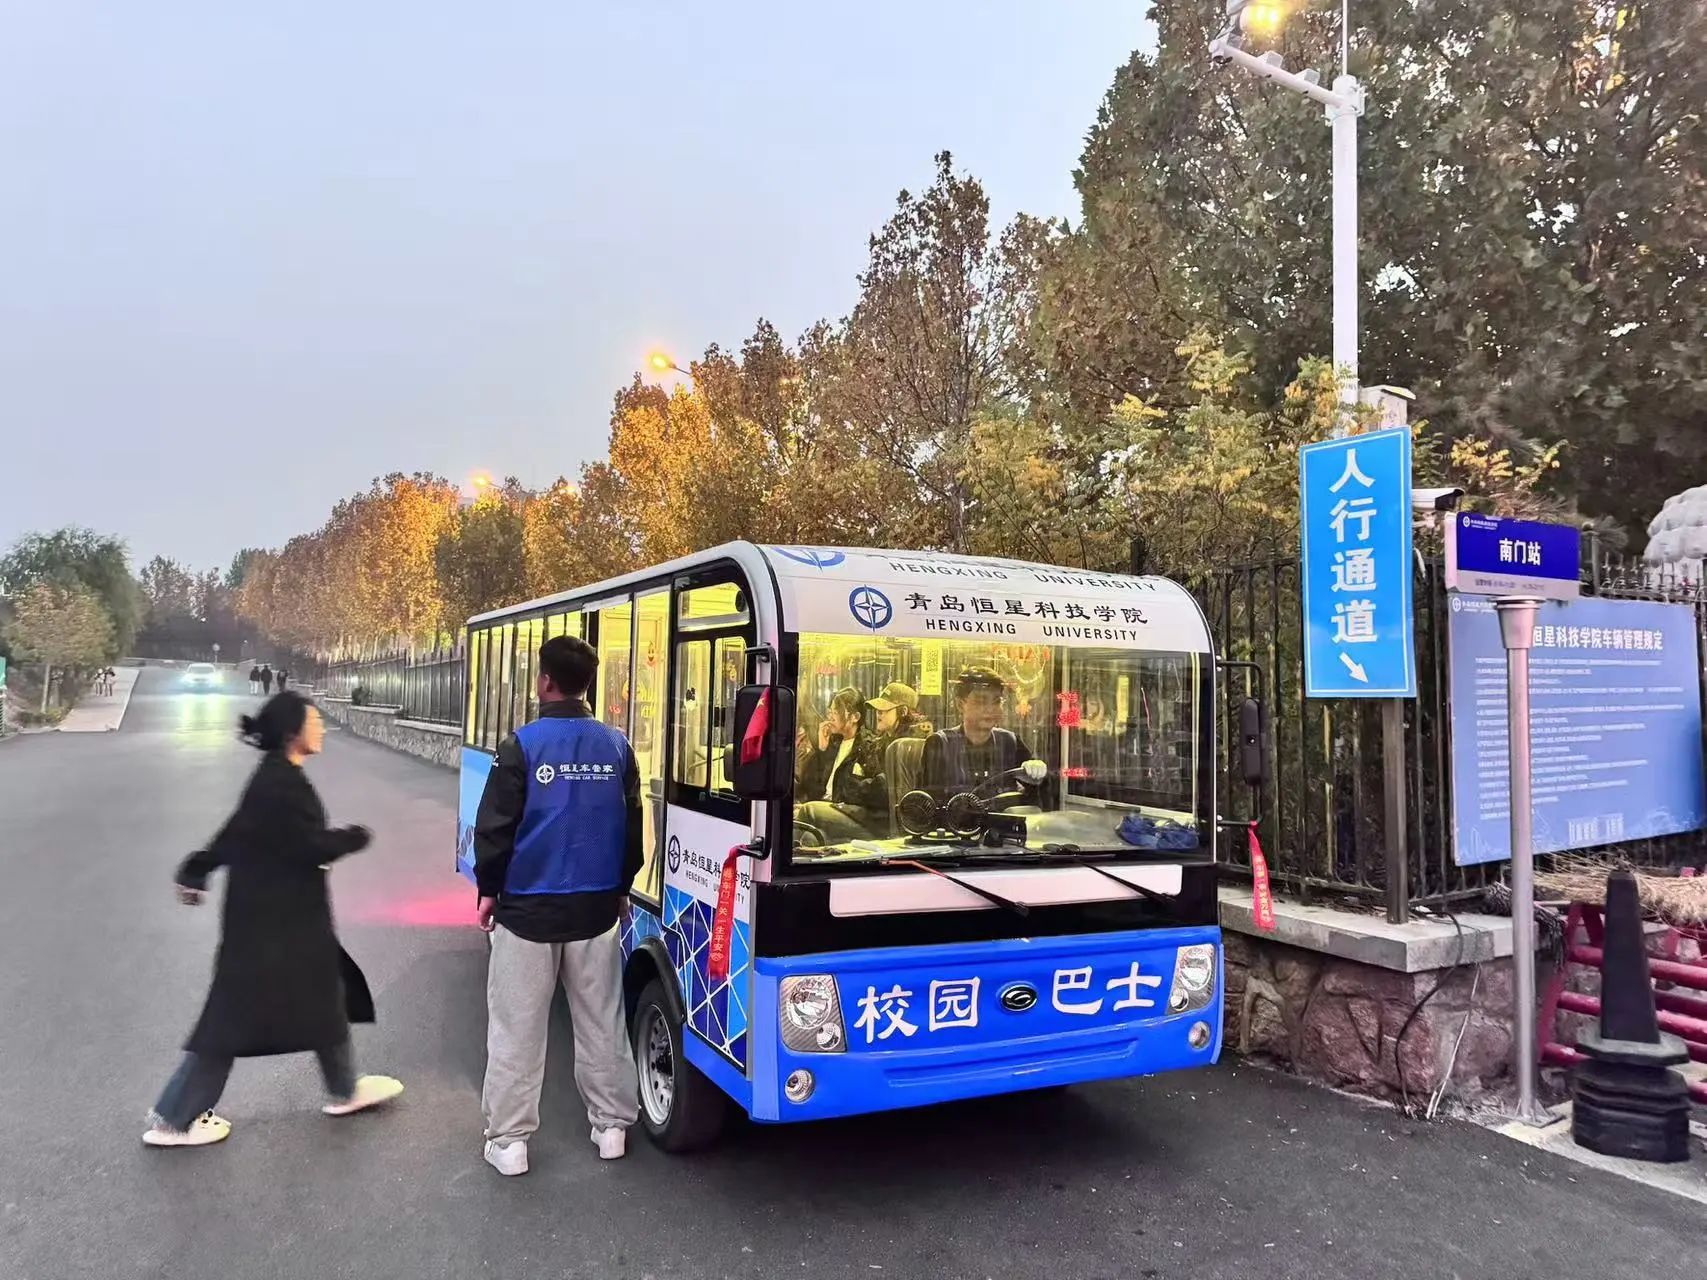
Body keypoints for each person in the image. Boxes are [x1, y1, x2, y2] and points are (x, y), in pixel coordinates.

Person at [143, 692, 402, 1148]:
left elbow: (236, 833)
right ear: (292, 732)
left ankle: (345, 1088)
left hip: (287, 919)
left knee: (325, 999)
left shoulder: (277, 777)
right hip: (270, 925)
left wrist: (198, 869)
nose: (320, 728)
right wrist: (353, 837)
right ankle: (174, 1118)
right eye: (313, 721)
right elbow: (306, 845)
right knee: (229, 1020)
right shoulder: (279, 783)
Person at [473, 635, 643, 1175]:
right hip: (596, 910)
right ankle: (612, 1127)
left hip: (528, 910)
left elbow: (494, 828)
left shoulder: (520, 746)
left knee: (517, 1028)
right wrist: (621, 886)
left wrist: (488, 890)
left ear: (544, 681)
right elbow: (632, 827)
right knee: (602, 1020)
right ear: (587, 683)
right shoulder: (617, 746)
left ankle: (510, 1143)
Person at [922, 667, 1046, 800]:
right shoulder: (940, 744)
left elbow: (1038, 796)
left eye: (996, 701)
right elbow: (926, 803)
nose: (990, 709)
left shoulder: (1010, 742)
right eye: (981, 701)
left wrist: (1037, 773)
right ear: (960, 705)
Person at [795, 687, 888, 843]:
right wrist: (822, 751)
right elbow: (811, 788)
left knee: (808, 811)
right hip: (826, 809)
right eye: (830, 712)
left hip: (853, 816)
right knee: (808, 836)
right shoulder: (834, 743)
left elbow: (872, 794)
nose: (830, 717)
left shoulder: (869, 747)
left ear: (855, 717)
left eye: (836, 712)